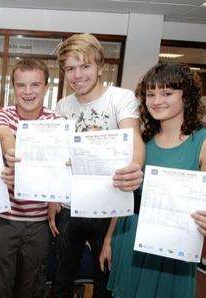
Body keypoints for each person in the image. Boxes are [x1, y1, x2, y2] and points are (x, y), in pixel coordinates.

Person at [48, 33, 145, 297]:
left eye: (85, 66)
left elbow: (133, 136)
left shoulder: (120, 99)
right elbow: (59, 154)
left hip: (109, 209)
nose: (77, 75)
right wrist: (53, 198)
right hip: (70, 206)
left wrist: (135, 167)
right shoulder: (63, 105)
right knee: (62, 278)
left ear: (100, 67)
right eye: (70, 68)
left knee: (105, 281)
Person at [107, 62, 206, 298]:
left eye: (167, 93)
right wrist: (108, 239)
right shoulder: (141, 140)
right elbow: (124, 193)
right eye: (150, 94)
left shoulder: (202, 141)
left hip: (174, 245)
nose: (156, 100)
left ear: (187, 96)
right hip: (129, 235)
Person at [0, 57, 63, 298]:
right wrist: (12, 150)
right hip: (5, 219)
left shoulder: (56, 122)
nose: (28, 92)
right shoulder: (1, 114)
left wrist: (54, 198)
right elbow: (3, 134)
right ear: (13, 87)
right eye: (21, 85)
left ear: (46, 87)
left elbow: (59, 167)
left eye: (35, 85)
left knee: (33, 283)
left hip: (39, 221)